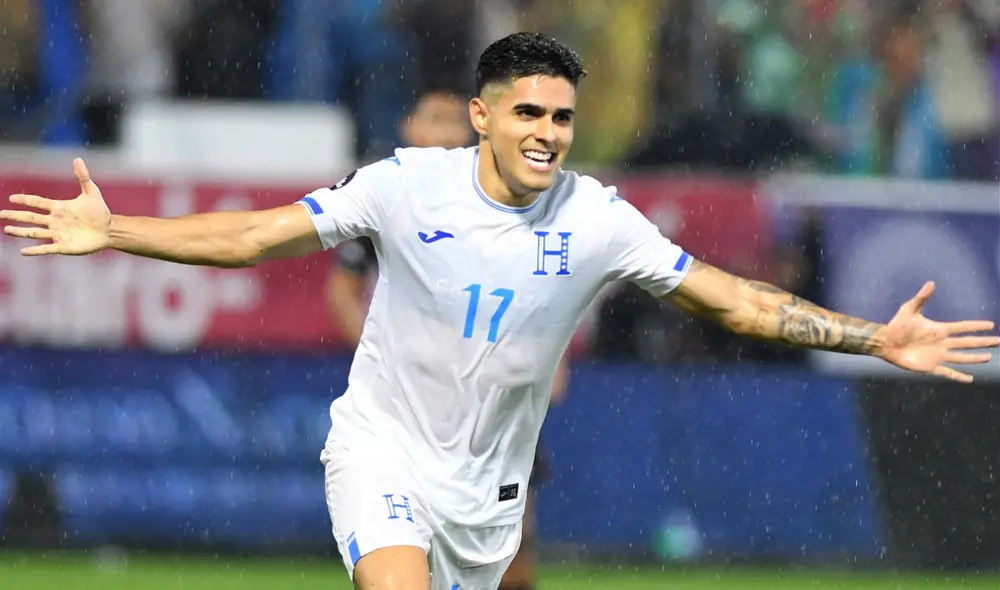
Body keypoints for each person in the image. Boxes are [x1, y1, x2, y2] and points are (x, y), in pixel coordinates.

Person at [2, 32, 996, 590]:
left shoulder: (599, 218)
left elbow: (731, 296)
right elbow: (254, 235)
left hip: (488, 491)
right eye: (528, 112)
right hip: (382, 451)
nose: (548, 133)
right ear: (482, 115)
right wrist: (119, 231)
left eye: (562, 116)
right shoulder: (401, 185)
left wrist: (871, 335)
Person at [326, 85, 565, 590]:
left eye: (454, 120)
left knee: (513, 548)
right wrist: (385, 354)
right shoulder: (388, 199)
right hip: (412, 404)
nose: (444, 130)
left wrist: (550, 362)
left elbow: (544, 298)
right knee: (401, 544)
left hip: (495, 401)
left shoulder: (511, 203)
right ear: (408, 127)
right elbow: (342, 291)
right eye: (433, 118)